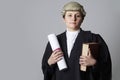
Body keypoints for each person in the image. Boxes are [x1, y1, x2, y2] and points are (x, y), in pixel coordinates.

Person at [42, 1, 112, 80]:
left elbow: (106, 67)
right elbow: (46, 70)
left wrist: (94, 63)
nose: (73, 19)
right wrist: (49, 62)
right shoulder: (54, 41)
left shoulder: (94, 39)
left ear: (82, 19)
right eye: (69, 15)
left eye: (77, 16)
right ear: (64, 18)